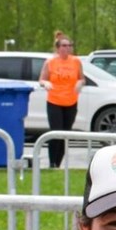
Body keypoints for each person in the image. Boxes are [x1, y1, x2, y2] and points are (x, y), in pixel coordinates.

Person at [40, 31, 84, 169]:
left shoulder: (76, 61)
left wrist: (80, 83)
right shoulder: (51, 62)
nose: (67, 48)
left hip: (71, 101)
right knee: (56, 132)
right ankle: (52, 163)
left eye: (69, 45)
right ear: (58, 48)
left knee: (65, 134)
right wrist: (46, 84)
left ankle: (58, 164)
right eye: (64, 45)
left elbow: (82, 78)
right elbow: (42, 79)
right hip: (54, 101)